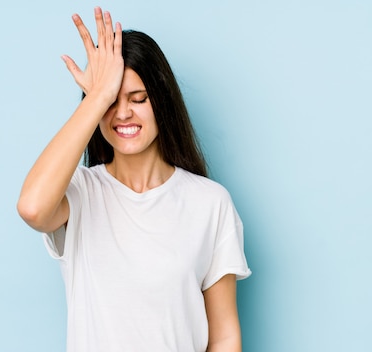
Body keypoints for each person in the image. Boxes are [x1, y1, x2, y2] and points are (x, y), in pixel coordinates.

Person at [17, 7, 251, 352]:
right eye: (112, 101)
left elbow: (224, 336)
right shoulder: (80, 193)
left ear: (162, 102)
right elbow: (32, 208)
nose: (123, 113)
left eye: (138, 99)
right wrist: (97, 95)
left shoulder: (210, 203)